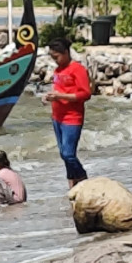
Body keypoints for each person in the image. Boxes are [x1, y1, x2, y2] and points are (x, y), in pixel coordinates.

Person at [43, 38, 91, 188]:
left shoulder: (77, 69)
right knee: (63, 154)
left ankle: (82, 177)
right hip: (57, 117)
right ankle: (72, 183)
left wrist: (60, 96)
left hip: (72, 117)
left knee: (68, 154)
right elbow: (59, 89)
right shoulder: (58, 71)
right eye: (52, 57)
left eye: (56, 57)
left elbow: (85, 94)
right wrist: (49, 96)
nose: (55, 61)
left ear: (66, 52)